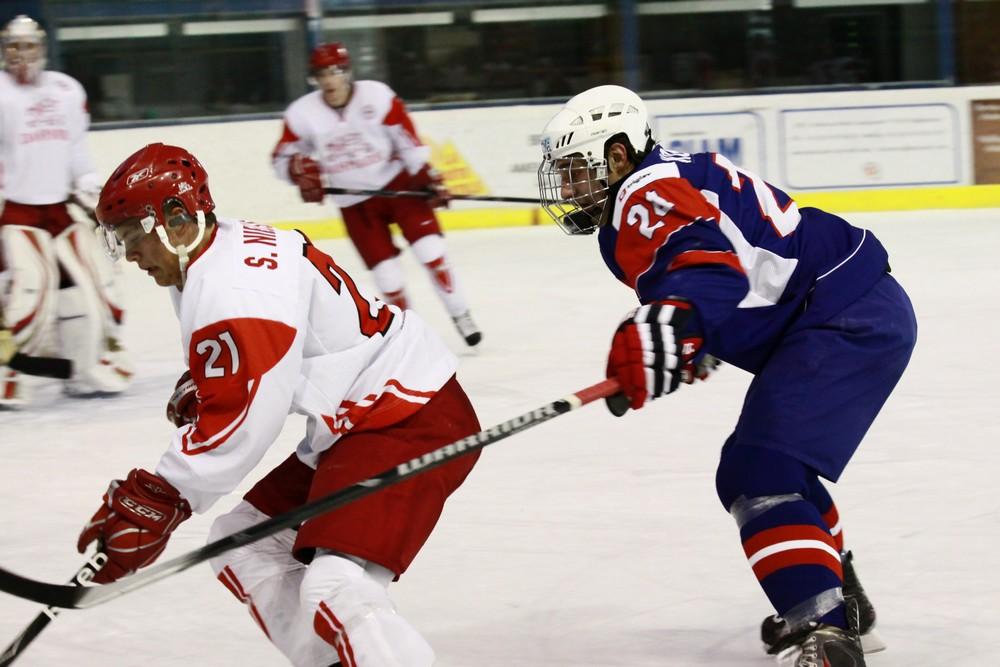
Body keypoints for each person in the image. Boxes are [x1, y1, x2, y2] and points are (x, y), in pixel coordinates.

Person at [537, 85, 916, 667]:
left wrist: (665, 325)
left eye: (574, 170)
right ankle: (839, 602)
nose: (566, 189)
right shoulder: (660, 182)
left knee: (758, 470)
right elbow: (731, 265)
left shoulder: (645, 193)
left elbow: (703, 261)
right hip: (844, 305)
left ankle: (827, 631)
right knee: (775, 464)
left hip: (841, 313)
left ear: (616, 156)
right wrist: (694, 335)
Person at [76, 143, 482, 667]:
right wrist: (209, 383)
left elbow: (248, 417)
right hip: (364, 417)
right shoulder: (217, 248)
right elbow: (273, 356)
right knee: (244, 542)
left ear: (174, 217)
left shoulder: (234, 289)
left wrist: (162, 498)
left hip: (409, 415)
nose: (130, 255)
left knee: (337, 583)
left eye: (133, 235)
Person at [271, 42, 482, 348]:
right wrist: (295, 170)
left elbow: (407, 139)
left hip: (400, 186)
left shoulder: (377, 96)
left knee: (431, 252)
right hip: (355, 204)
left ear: (347, 72)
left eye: (335, 71)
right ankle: (410, 337)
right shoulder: (302, 114)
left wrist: (425, 175)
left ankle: (460, 313)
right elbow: (280, 159)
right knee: (387, 278)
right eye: (321, 74)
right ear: (314, 78)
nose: (329, 80)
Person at [0, 14, 132, 406]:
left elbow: (76, 150)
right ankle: (10, 372)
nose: (21, 55)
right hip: (15, 212)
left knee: (98, 287)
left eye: (29, 46)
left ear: (42, 48)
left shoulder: (66, 90)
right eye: (13, 47)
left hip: (60, 210)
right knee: (28, 290)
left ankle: (84, 367)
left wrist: (91, 189)